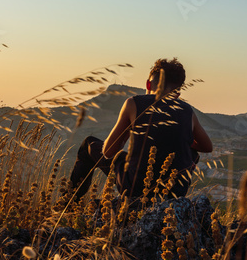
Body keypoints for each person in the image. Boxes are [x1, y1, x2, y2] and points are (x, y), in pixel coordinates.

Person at [70, 58, 212, 200]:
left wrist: (128, 130)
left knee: (89, 144)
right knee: (192, 152)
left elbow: (108, 152)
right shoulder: (187, 110)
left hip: (136, 187)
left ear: (148, 84)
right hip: (175, 191)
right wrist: (180, 140)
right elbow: (207, 146)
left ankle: (68, 204)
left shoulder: (133, 103)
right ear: (177, 94)